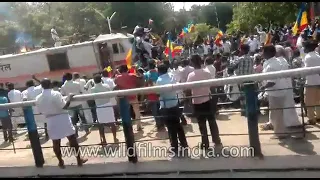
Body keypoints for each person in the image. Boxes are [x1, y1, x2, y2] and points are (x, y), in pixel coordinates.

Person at [35, 78, 87, 168]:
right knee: (72, 139)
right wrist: (69, 98)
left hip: (50, 120)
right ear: (50, 84)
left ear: (42, 86)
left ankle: (61, 162)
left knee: (56, 142)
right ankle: (79, 160)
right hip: (62, 118)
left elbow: (40, 111)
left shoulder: (38, 98)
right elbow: (64, 107)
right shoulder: (56, 94)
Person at [187, 54, 222, 151]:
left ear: (192, 63)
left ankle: (205, 144)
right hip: (207, 100)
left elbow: (188, 90)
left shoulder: (191, 75)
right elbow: (212, 86)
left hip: (197, 102)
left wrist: (189, 100)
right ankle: (216, 140)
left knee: (201, 124)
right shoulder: (206, 72)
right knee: (212, 122)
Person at [156, 64, 188, 154]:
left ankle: (174, 147)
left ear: (159, 71)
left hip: (166, 106)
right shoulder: (172, 76)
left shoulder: (159, 80)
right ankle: (184, 144)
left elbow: (158, 93)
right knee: (178, 125)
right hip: (174, 103)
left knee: (170, 128)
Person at [261, 45, 288, 139]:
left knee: (277, 113)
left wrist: (262, 88)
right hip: (276, 91)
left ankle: (280, 133)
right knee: (274, 112)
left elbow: (271, 82)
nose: (262, 53)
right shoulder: (272, 62)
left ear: (268, 53)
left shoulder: (272, 65)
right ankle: (274, 126)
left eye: (263, 52)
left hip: (276, 92)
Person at [114, 65, 144, 131]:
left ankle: (128, 127)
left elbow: (115, 83)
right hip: (133, 96)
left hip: (124, 98)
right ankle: (138, 126)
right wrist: (136, 69)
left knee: (125, 113)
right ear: (127, 69)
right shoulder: (133, 75)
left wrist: (117, 73)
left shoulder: (118, 78)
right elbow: (141, 78)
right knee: (137, 112)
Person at [91, 74, 117, 144]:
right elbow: (111, 95)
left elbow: (92, 99)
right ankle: (115, 138)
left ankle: (104, 140)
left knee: (100, 125)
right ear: (101, 79)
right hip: (108, 105)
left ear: (94, 81)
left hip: (99, 107)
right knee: (112, 123)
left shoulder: (93, 89)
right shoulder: (106, 86)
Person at [302, 40, 320, 124]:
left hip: (310, 82)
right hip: (318, 81)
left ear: (308, 48)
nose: (303, 49)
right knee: (318, 101)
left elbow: (306, 70)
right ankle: (319, 117)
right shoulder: (317, 55)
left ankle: (311, 119)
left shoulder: (308, 57)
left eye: (304, 47)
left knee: (309, 102)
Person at [234, 44, 254, 116]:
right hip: (250, 79)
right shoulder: (252, 58)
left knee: (242, 96)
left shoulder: (240, 59)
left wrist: (238, 55)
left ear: (242, 50)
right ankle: (250, 110)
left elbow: (232, 66)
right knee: (249, 95)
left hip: (242, 80)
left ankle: (244, 111)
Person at [144, 60, 163, 131]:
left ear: (148, 66)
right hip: (159, 94)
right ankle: (162, 123)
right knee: (160, 109)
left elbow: (145, 85)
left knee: (155, 111)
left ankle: (158, 125)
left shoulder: (146, 74)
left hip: (151, 95)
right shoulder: (159, 73)